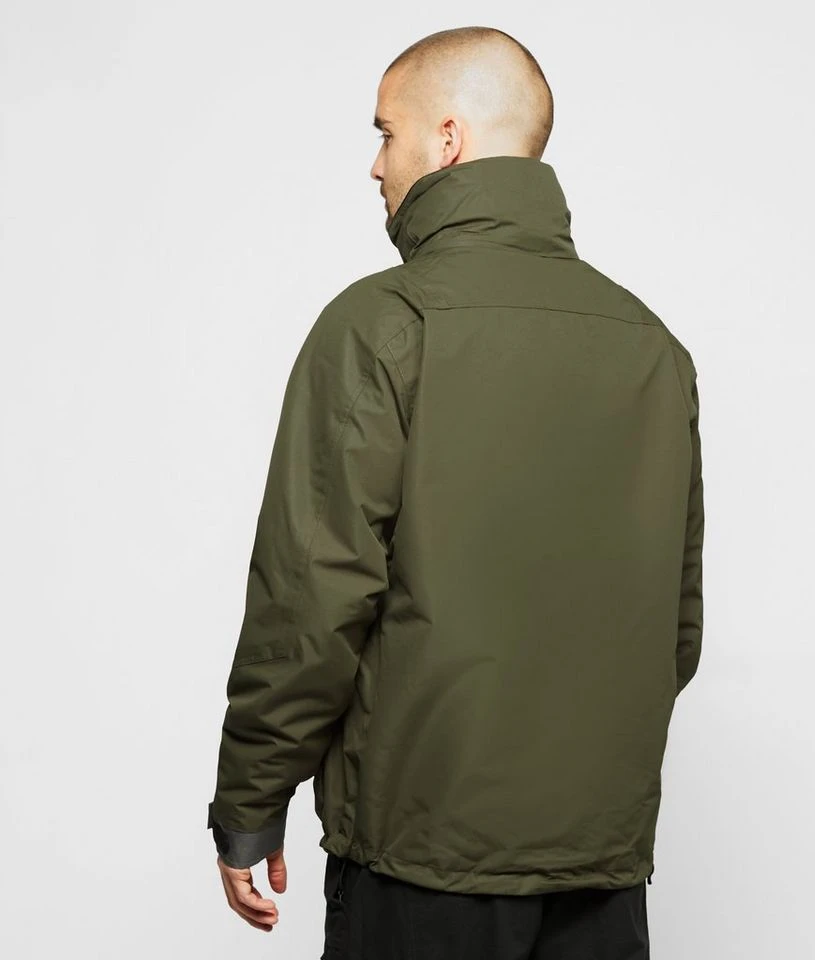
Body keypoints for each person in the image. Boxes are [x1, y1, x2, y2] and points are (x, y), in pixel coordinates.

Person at [207, 24, 704, 960]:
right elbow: (674, 626)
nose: (374, 164)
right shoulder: (651, 346)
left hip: (421, 861)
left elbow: (311, 598)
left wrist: (249, 800)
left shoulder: (384, 325)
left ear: (448, 139)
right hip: (600, 868)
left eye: (385, 133)